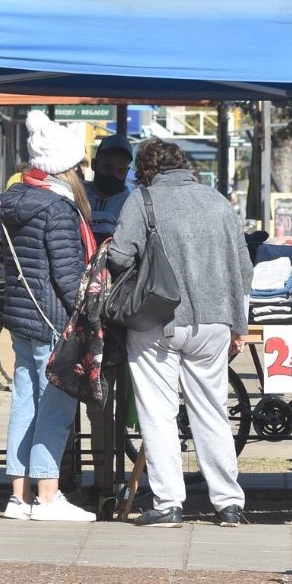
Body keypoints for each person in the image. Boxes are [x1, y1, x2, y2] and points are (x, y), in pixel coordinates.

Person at [110, 139, 251, 528]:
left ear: (145, 170)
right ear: (184, 164)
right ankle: (228, 504)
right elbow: (243, 268)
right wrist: (238, 323)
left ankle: (169, 502)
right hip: (215, 320)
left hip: (159, 320)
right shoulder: (218, 202)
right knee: (212, 411)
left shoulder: (143, 200)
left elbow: (121, 256)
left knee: (158, 413)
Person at [0, 111, 95, 522]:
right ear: (65, 168)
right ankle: (49, 495)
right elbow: (67, 275)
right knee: (55, 405)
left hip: (22, 315)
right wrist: (90, 308)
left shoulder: (17, 200)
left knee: (25, 401)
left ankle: (18, 498)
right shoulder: (58, 209)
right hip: (52, 317)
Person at [85, 134, 134, 241]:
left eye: (121, 170)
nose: (114, 175)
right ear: (94, 164)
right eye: (108, 168)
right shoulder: (76, 195)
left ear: (127, 172)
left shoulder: (132, 205)